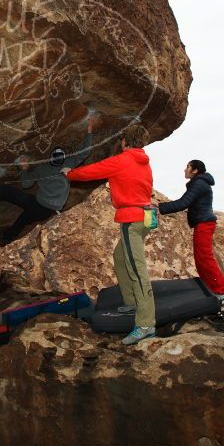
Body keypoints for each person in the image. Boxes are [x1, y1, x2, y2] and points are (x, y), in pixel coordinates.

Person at [62, 125, 156, 345]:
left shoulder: (122, 160)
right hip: (145, 218)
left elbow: (91, 171)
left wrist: (69, 173)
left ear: (125, 141)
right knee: (121, 258)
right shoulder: (144, 162)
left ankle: (145, 324)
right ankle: (132, 302)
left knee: (137, 270)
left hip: (131, 220)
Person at [0, 118, 95, 242]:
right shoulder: (67, 164)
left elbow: (26, 184)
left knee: (16, 209)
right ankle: (3, 238)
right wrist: (89, 131)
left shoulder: (44, 168)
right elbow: (85, 152)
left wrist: (24, 169)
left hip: (42, 207)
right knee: (20, 217)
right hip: (41, 206)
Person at [158, 160, 224, 305]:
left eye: (187, 167)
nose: (184, 170)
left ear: (195, 170)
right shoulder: (199, 183)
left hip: (205, 224)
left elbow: (183, 203)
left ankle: (221, 293)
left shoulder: (199, 184)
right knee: (200, 259)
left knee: (205, 258)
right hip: (202, 224)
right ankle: (211, 291)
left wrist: (158, 207)